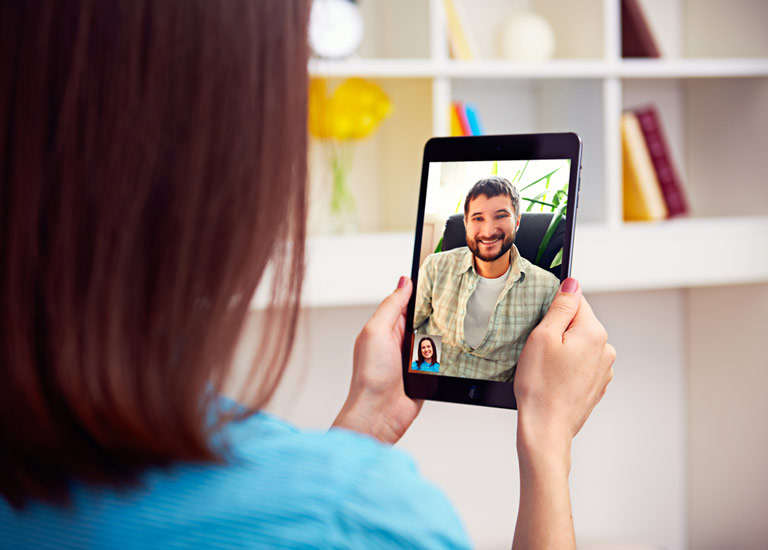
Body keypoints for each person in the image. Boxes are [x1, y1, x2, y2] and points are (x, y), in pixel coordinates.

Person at [0, 2, 615, 549]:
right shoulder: (362, 515)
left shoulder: (535, 287)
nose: (486, 228)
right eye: (475, 216)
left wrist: (366, 423)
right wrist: (546, 439)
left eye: (500, 216)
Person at [414, 176, 560, 381]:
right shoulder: (436, 267)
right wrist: (425, 380)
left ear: (517, 221)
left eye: (500, 216)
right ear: (466, 223)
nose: (489, 231)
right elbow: (410, 326)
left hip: (495, 403)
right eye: (478, 218)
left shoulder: (547, 287)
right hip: (433, 387)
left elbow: (550, 360)